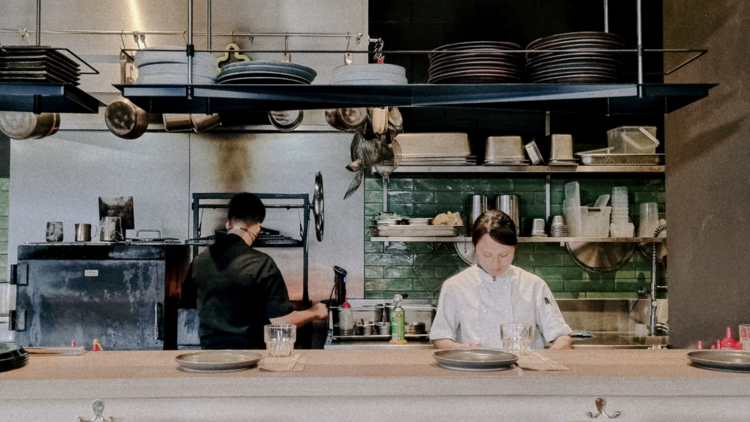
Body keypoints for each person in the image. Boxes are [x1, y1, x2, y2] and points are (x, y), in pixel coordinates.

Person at [181, 193, 328, 350]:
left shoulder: (199, 261)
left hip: (209, 357)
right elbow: (282, 322)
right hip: (249, 359)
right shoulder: (261, 264)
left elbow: (188, 301)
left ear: (227, 224)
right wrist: (315, 312)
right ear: (258, 227)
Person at [430, 210, 573, 350]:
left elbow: (562, 336)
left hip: (524, 370)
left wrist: (550, 357)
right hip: (475, 369)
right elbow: (440, 338)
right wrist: (458, 348)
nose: (495, 263)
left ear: (514, 248)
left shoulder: (534, 285)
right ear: (474, 247)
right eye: (486, 254)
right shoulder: (455, 286)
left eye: (504, 255)